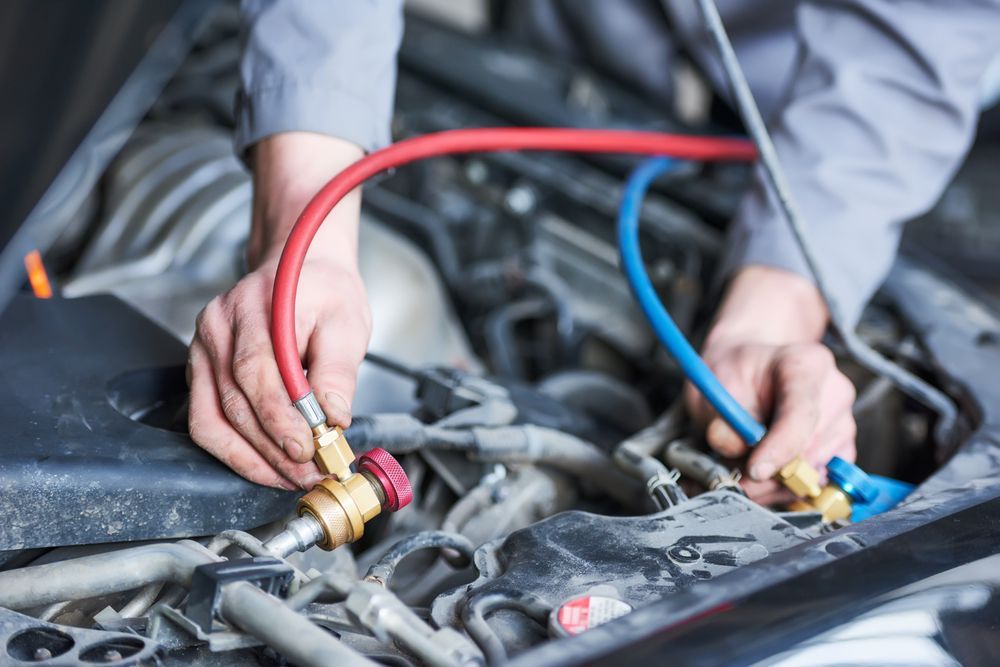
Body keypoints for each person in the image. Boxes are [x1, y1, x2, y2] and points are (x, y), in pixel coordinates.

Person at [187, 1, 1000, 500]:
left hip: (822, 103)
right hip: (580, 38)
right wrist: (306, 239)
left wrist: (773, 311)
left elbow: (915, 36)